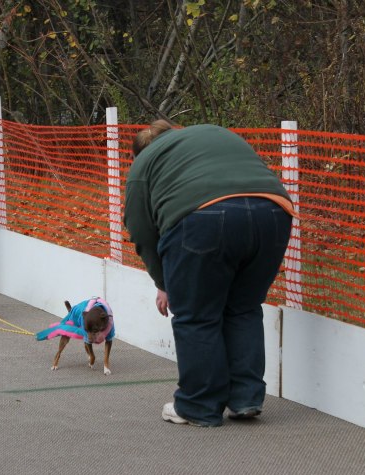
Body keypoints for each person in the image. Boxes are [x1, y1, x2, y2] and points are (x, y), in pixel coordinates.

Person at [123, 121, 294, 427]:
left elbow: (142, 232)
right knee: (243, 308)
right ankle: (245, 399)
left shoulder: (144, 164)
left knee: (197, 316)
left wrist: (164, 283)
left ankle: (198, 405)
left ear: (141, 152)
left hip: (204, 219)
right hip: (274, 213)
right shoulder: (212, 133)